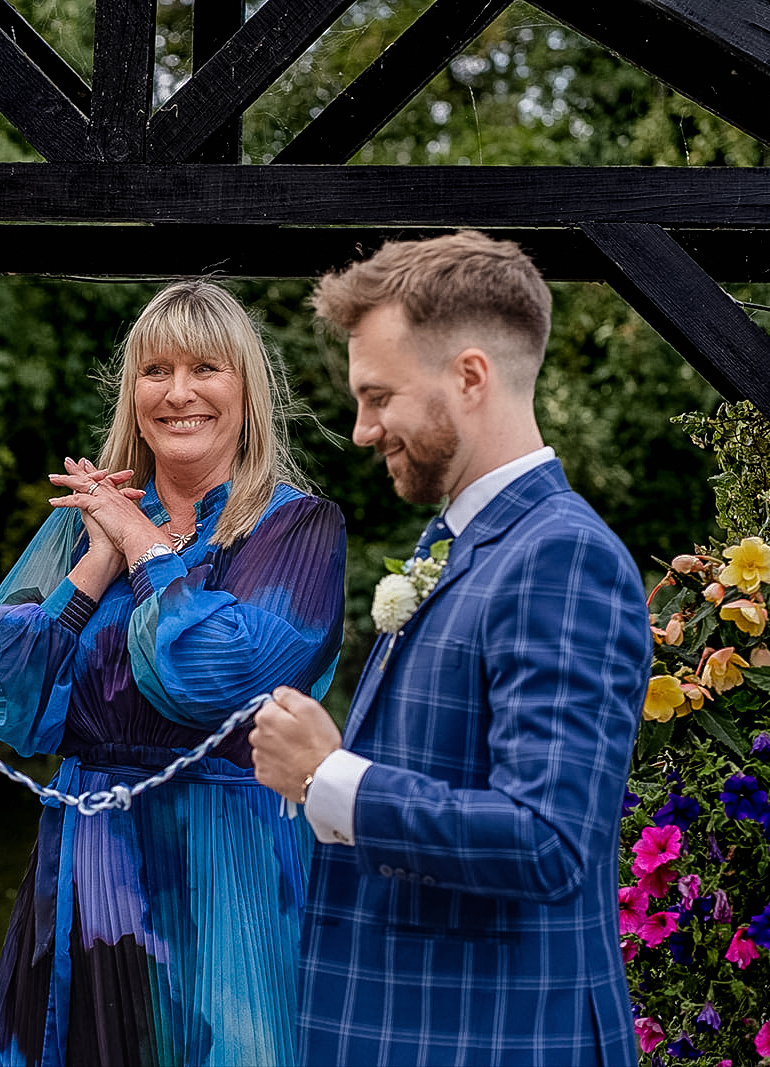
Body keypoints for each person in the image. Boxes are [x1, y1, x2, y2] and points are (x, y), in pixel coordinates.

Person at [248, 231, 650, 1064]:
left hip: (493, 1038)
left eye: (379, 395)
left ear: (470, 377)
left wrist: (331, 776)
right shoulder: (465, 543)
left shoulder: (560, 555)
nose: (362, 429)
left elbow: (546, 840)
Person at [0, 280, 346, 1067]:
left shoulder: (297, 528)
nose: (178, 393)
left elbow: (213, 675)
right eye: (155, 370)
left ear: (246, 390)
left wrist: (145, 551)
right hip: (82, 873)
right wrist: (96, 564)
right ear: (132, 391)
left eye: (206, 368)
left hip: (223, 874)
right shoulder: (90, 522)